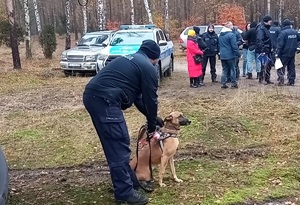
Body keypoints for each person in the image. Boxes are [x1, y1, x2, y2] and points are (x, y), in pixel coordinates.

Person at [82, 40, 161, 205]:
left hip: (94, 96)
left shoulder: (130, 59)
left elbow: (140, 99)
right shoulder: (148, 68)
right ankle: (124, 193)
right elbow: (151, 100)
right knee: (118, 144)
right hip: (106, 100)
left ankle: (128, 183)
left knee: (115, 144)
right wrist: (152, 127)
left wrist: (154, 118)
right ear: (154, 58)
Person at [275, 19, 300, 86]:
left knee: (280, 66)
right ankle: (291, 81)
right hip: (292, 52)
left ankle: (281, 80)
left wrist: (277, 53)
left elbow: (280, 44)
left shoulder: (283, 33)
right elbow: (299, 39)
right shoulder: (295, 32)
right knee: (291, 67)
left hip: (284, 53)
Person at [219, 22, 239, 89]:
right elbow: (234, 45)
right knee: (232, 69)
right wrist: (237, 53)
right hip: (230, 55)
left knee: (224, 70)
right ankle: (233, 83)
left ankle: (223, 83)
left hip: (222, 55)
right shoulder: (231, 35)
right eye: (232, 25)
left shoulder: (220, 35)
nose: (233, 26)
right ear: (229, 26)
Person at [256, 15, 273, 84]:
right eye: (270, 21)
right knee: (264, 65)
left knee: (268, 64)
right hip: (264, 49)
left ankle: (267, 78)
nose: (271, 22)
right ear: (267, 21)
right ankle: (262, 79)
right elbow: (260, 40)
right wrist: (262, 50)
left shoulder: (266, 28)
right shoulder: (261, 29)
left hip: (267, 49)